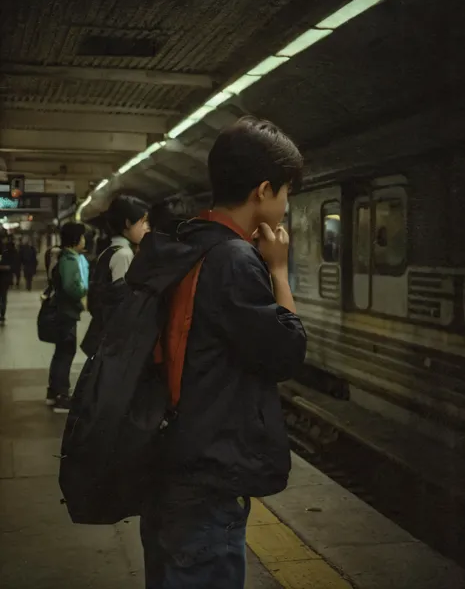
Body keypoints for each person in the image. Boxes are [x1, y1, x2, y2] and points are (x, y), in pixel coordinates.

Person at [134, 116, 307, 589]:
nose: (286, 206)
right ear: (264, 191)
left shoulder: (189, 242)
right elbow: (288, 352)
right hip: (208, 478)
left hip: (170, 460)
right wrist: (279, 272)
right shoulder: (233, 260)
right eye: (286, 194)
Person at [80, 195, 149, 358]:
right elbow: (122, 303)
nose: (146, 227)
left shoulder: (108, 251)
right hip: (114, 339)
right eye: (142, 221)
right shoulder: (123, 255)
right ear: (127, 224)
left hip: (103, 330)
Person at [46, 223, 87, 413]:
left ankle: (53, 392)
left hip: (62, 312)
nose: (84, 240)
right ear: (75, 239)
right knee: (66, 354)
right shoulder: (70, 259)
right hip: (67, 313)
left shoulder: (62, 256)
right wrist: (84, 292)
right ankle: (62, 396)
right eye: (82, 237)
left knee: (61, 352)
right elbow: (72, 287)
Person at [0, 240, 15, 324]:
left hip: (4, 279)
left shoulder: (7, 254)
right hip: (5, 279)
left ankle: (2, 314)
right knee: (3, 297)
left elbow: (11, 267)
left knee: (3, 297)